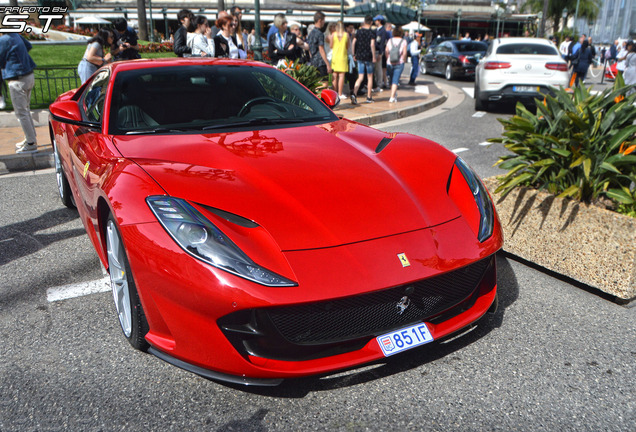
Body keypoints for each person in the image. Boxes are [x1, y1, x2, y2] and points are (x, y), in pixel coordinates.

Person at [0, 33, 37, 153]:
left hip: (18, 80)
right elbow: (28, 46)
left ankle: (31, 144)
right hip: (29, 76)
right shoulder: (16, 35)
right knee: (26, 111)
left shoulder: (4, 39)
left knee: (21, 113)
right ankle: (30, 138)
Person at [351, 14, 376, 104]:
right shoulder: (372, 32)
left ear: (364, 21)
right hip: (368, 57)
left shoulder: (359, 32)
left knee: (360, 77)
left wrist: (354, 54)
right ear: (371, 22)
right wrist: (373, 56)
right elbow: (372, 44)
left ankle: (354, 93)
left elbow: (353, 43)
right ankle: (369, 97)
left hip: (360, 56)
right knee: (369, 77)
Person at [385, 26, 407, 103]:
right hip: (399, 62)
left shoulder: (390, 40)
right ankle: (392, 97)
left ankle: (393, 94)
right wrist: (403, 60)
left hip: (389, 62)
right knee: (396, 80)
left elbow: (386, 51)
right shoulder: (403, 41)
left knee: (391, 79)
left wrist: (388, 58)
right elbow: (404, 53)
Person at [307, 11, 331, 78]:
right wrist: (327, 64)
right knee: (324, 83)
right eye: (323, 20)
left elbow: (309, 48)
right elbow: (321, 49)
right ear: (320, 20)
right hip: (320, 61)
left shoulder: (311, 33)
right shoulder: (320, 34)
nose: (324, 22)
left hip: (313, 61)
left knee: (317, 83)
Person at [330, 21, 349, 99]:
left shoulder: (333, 35)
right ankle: (340, 93)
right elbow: (347, 46)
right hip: (343, 56)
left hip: (335, 57)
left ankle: (335, 93)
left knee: (334, 76)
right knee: (341, 76)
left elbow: (331, 46)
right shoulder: (346, 35)